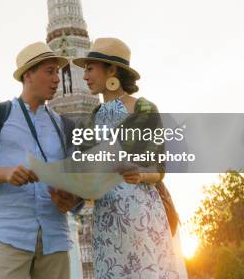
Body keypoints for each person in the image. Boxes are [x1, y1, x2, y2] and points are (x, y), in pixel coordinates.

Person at [0, 41, 83, 279]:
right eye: (49, 72)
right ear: (28, 75)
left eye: (57, 72)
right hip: (10, 234)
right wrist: (5, 173)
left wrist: (70, 198)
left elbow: (74, 179)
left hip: (54, 237)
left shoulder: (62, 126)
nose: (57, 79)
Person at [72, 37, 188, 278]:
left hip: (143, 213)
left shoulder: (144, 109)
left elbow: (159, 168)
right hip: (108, 218)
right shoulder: (91, 120)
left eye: (90, 68)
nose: (85, 76)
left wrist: (140, 174)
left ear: (112, 70)